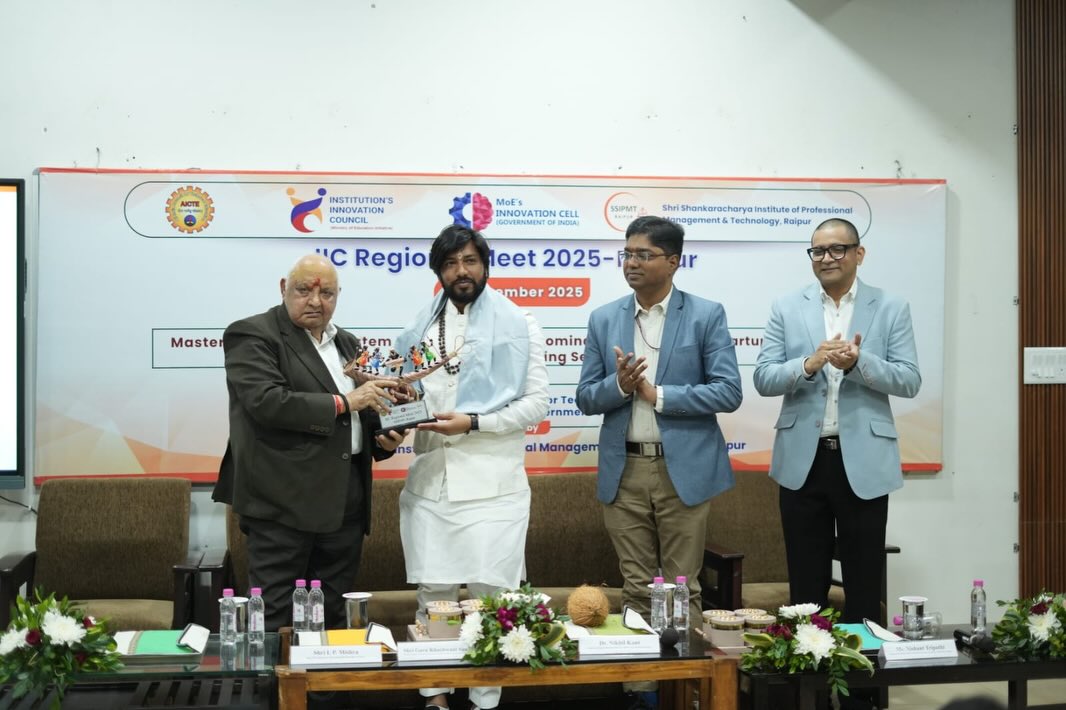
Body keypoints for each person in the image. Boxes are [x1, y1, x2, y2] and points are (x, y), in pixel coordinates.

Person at [576, 216, 742, 707]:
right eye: (627, 253)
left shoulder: (706, 314)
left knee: (681, 588)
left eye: (643, 254)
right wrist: (620, 386)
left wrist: (659, 394)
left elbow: (728, 391)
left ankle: (686, 693)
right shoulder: (604, 318)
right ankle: (642, 693)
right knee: (635, 586)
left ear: (672, 261)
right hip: (624, 469)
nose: (631, 262)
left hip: (682, 469)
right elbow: (585, 397)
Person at [393, 225, 549, 710]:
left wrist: (476, 422)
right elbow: (404, 396)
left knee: (493, 600)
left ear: (484, 265)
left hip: (495, 483)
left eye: (470, 261)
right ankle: (435, 697)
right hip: (432, 482)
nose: (461, 271)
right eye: (450, 263)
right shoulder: (419, 330)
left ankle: (484, 702)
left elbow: (536, 404)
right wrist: (396, 415)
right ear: (439, 271)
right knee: (433, 597)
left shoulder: (521, 323)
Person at [213, 254, 406, 631]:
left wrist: (385, 439)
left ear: (338, 295)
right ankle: (273, 674)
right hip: (281, 504)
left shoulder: (348, 343)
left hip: (345, 506)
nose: (316, 301)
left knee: (332, 617)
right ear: (284, 288)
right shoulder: (252, 334)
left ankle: (326, 675)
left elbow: (362, 414)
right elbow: (266, 402)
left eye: (327, 293)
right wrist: (344, 402)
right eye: (304, 290)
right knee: (273, 615)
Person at [753, 218, 921, 625]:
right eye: (817, 251)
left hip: (864, 461)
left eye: (837, 249)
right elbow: (763, 378)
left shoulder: (890, 306)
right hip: (803, 462)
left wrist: (859, 362)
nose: (826, 258)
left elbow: (909, 380)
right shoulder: (787, 306)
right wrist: (808, 364)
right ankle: (806, 663)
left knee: (863, 581)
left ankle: (863, 667)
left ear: (858, 254)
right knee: (805, 584)